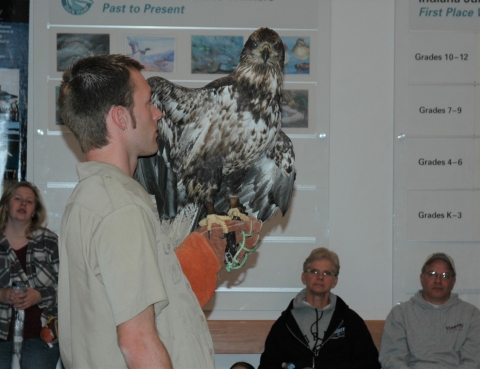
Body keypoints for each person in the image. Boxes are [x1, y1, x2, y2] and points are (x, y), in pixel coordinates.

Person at [57, 54, 261, 369]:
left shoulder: (91, 198)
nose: (158, 112)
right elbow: (137, 343)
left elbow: (118, 311)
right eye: (148, 103)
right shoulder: (120, 207)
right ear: (121, 118)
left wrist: (200, 260)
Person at [258, 247, 380, 369]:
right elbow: (267, 365)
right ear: (304, 277)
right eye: (314, 271)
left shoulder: (349, 321)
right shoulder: (285, 324)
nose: (320, 277)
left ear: (334, 282)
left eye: (327, 273)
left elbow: (371, 363)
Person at [379, 252, 480, 368]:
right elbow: (392, 358)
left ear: (453, 281)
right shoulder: (400, 314)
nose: (438, 280)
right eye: (432, 274)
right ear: (422, 278)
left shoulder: (472, 315)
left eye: (445, 275)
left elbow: (474, 360)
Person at [0, 181, 59, 369]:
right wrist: (2, 295)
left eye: (29, 201)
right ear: (7, 205)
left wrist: (39, 295)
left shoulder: (48, 241)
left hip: (40, 337)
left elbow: (70, 288)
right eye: (17, 199)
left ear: (35, 211)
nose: (23, 204)